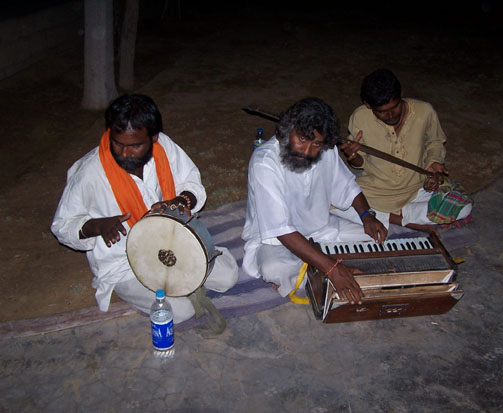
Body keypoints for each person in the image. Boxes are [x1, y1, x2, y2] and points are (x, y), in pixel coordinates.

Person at [51, 94, 239, 323]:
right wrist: (97, 225)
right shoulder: (89, 172)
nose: (124, 153)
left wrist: (181, 201)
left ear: (153, 137)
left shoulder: (164, 148)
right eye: (117, 143)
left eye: (135, 145)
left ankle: (178, 281)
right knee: (179, 311)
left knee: (228, 276)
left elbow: (191, 183)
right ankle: (163, 287)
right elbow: (62, 226)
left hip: (172, 243)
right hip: (125, 264)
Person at [241, 97, 387, 304]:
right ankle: (326, 269)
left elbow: (347, 186)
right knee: (274, 267)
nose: (307, 152)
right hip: (275, 239)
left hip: (321, 228)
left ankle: (317, 269)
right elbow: (280, 229)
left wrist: (367, 215)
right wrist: (332, 268)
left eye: (316, 144)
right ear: (285, 131)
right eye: (301, 139)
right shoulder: (265, 163)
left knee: (378, 240)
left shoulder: (326, 149)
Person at [338, 68, 472, 232]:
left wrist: (434, 163)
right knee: (330, 202)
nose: (390, 116)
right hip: (377, 191)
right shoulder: (359, 118)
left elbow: (435, 141)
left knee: (463, 207)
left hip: (418, 188)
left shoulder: (424, 111)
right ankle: (401, 220)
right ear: (367, 104)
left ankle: (388, 217)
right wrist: (352, 156)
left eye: (394, 107)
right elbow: (360, 163)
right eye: (381, 112)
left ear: (401, 93)